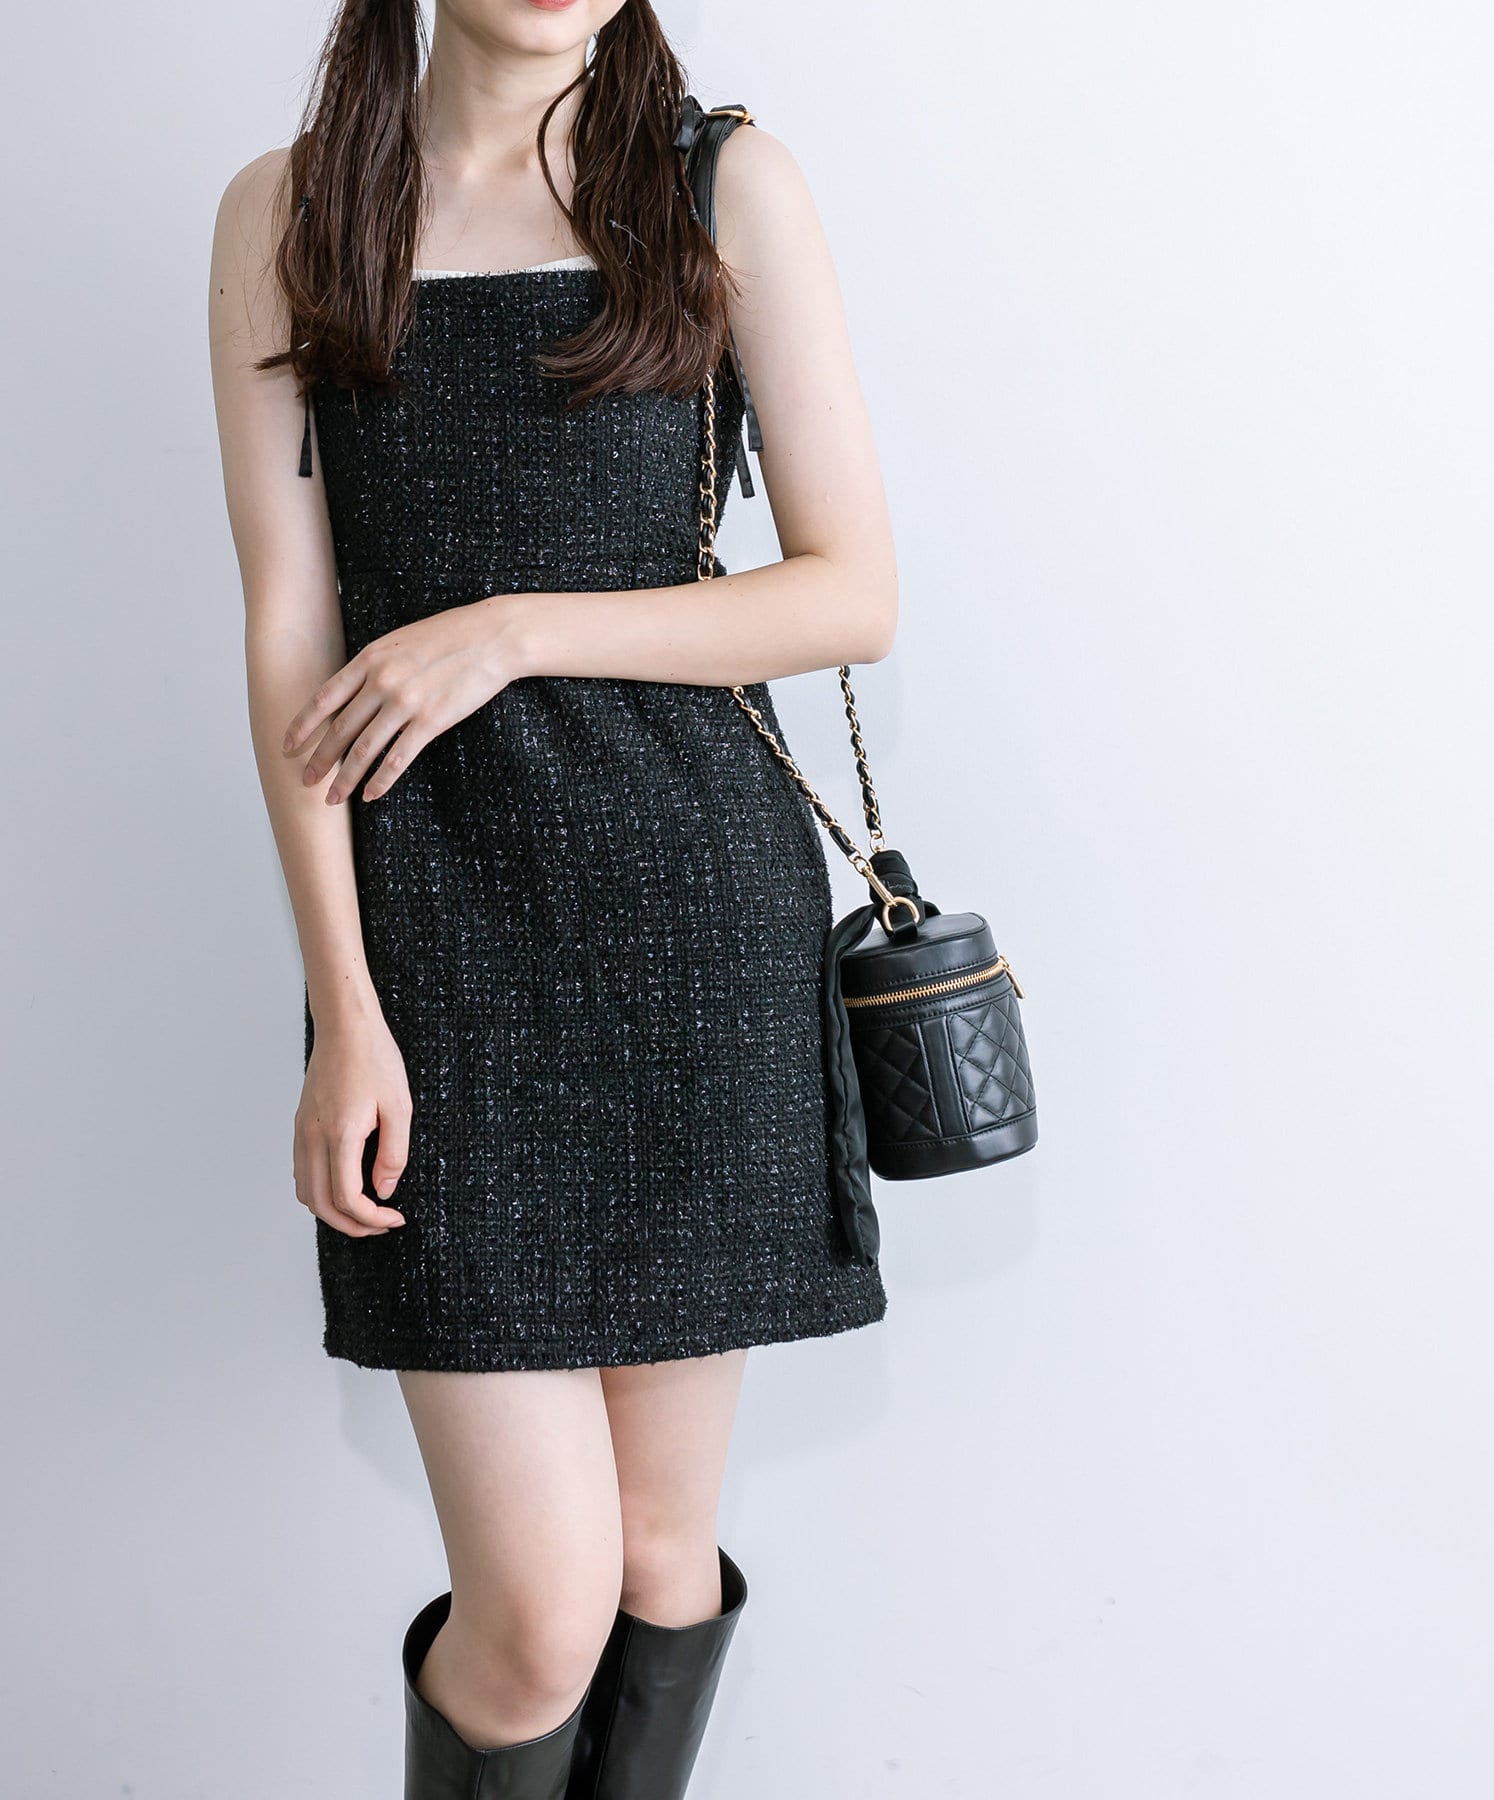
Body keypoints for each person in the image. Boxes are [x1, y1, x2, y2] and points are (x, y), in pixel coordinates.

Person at [208, 2, 898, 1794]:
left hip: (696, 929)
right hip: (432, 945)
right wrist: (344, 1011)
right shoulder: (288, 211)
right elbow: (290, 636)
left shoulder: (723, 185)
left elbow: (850, 591)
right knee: (538, 1617)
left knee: (659, 1564)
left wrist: (508, 631)